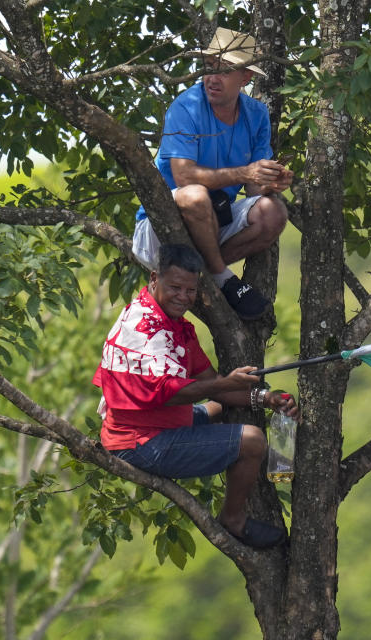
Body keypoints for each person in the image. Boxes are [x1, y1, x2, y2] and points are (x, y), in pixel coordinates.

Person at [93, 243, 299, 548]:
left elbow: (211, 381)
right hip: (140, 443)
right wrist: (227, 384)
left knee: (218, 407)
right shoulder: (145, 328)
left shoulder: (173, 324)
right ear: (154, 278)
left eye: (190, 290)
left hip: (157, 424)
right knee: (253, 440)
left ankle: (259, 430)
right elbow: (173, 394)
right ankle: (233, 520)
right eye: (175, 287)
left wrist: (265, 399)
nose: (183, 297)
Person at [132, 27, 294, 321]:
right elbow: (183, 178)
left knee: (273, 211)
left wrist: (271, 182)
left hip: (211, 226)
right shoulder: (187, 106)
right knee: (194, 195)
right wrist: (247, 172)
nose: (212, 78)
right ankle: (222, 279)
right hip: (160, 229)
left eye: (224, 70)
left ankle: (199, 273)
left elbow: (255, 191)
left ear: (246, 77)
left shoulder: (256, 114)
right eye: (208, 68)